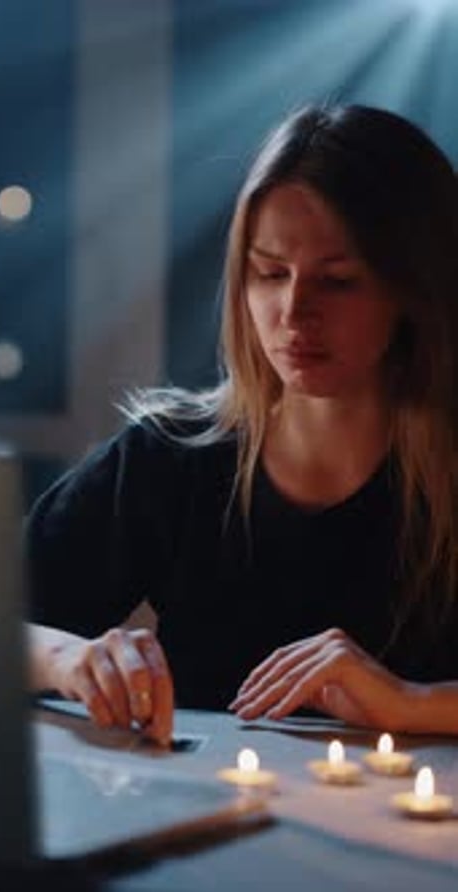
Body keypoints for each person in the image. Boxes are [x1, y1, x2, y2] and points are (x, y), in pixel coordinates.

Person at [28, 103, 458, 747]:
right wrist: (68, 659)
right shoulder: (169, 459)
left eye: (338, 281)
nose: (293, 313)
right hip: (201, 835)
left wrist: (412, 703)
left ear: (416, 289)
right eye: (269, 273)